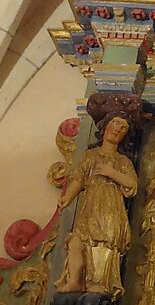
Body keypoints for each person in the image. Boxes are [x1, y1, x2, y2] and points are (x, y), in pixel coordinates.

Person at [55, 115, 138, 295]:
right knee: (76, 242)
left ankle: (98, 284)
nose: (118, 129)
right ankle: (75, 281)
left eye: (123, 128)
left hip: (110, 209)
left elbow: (132, 184)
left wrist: (111, 172)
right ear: (105, 127)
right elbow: (79, 177)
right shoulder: (90, 155)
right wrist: (68, 197)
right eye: (115, 123)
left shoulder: (123, 162)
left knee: (103, 245)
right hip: (90, 206)